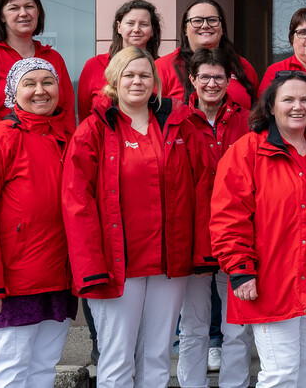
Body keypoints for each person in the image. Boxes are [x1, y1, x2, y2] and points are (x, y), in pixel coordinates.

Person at [63, 46, 210, 388]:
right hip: (117, 265)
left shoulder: (180, 125)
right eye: (129, 75)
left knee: (157, 357)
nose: (137, 81)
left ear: (155, 82)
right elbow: (76, 201)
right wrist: (89, 264)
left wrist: (202, 251)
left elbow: (203, 187)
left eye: (145, 75)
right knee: (117, 359)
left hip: (169, 262)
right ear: (114, 80)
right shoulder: (93, 129)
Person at [210, 72, 306, 388]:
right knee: (280, 374)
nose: (297, 106)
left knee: (304, 373)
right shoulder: (248, 150)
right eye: (288, 99)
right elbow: (228, 215)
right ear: (271, 107)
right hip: (273, 281)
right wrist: (240, 268)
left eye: (305, 99)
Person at [0, 58, 77, 387]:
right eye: (30, 83)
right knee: (10, 369)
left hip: (60, 278)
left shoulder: (67, 139)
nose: (40, 90)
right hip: (14, 282)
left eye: (48, 82)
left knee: (44, 368)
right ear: (14, 93)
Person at [177, 48, 252, 388]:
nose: (212, 83)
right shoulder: (176, 120)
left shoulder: (247, 121)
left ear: (229, 80)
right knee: (193, 326)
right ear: (192, 79)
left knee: (237, 325)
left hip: (237, 235)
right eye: (204, 77)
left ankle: (234, 383)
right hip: (193, 236)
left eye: (219, 77)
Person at [0, 0, 74, 138]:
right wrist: (23, 145)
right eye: (14, 8)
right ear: (1, 16)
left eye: (29, 6)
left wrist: (66, 145)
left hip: (53, 147)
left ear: (38, 12)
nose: (23, 13)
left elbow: (67, 112)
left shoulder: (53, 58)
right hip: (5, 147)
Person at [156, 0, 258, 109]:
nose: (205, 25)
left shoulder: (242, 66)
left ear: (222, 27)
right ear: (185, 29)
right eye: (197, 21)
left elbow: (257, 112)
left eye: (213, 20)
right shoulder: (162, 67)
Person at [78, 0, 162, 123]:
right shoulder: (93, 65)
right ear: (119, 27)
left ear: (152, 29)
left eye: (143, 24)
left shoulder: (162, 67)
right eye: (130, 23)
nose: (136, 29)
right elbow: (85, 116)